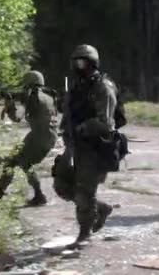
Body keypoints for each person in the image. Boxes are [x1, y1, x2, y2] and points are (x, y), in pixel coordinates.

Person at [63, 44, 117, 246]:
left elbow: (106, 123)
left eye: (82, 61)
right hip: (75, 145)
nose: (78, 66)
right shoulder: (76, 86)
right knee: (62, 185)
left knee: (85, 192)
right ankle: (101, 208)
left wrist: (84, 127)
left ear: (92, 63)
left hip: (95, 148)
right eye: (76, 61)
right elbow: (68, 114)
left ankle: (85, 233)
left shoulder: (103, 87)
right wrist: (67, 136)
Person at [0, 71, 58, 206]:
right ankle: (0, 192)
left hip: (38, 136)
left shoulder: (32, 96)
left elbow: (17, 118)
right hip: (49, 136)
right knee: (19, 160)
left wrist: (10, 105)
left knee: (19, 161)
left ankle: (37, 195)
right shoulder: (49, 96)